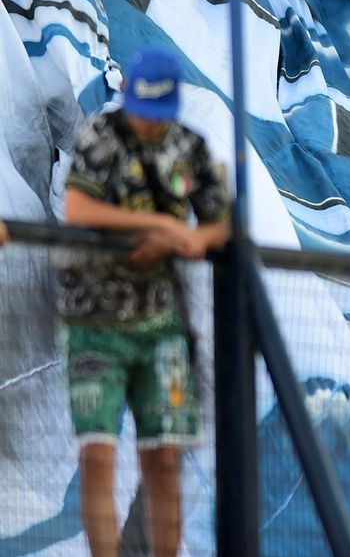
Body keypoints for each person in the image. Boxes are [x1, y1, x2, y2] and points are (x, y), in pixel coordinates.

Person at [61, 49, 231, 557]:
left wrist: (196, 239)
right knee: (97, 454)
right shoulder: (100, 134)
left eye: (156, 117)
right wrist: (158, 225)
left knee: (162, 459)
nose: (145, 124)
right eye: (139, 111)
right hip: (94, 323)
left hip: (162, 328)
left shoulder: (191, 148)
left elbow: (221, 221)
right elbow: (76, 207)